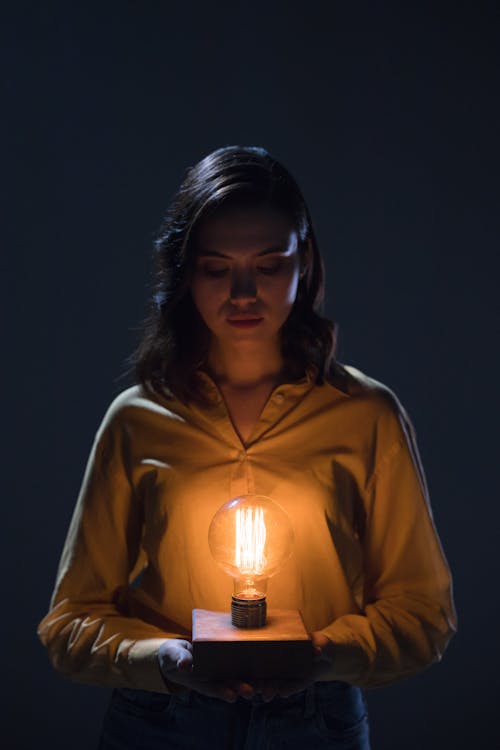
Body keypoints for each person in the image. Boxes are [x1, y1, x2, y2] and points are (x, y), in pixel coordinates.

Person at [37, 145, 457, 749]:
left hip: (315, 725)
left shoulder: (365, 417)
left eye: (268, 265)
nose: (242, 292)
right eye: (215, 267)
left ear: (304, 262)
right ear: (185, 273)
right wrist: (169, 659)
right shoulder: (137, 421)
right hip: (162, 723)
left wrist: (317, 656)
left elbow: (424, 615)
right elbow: (69, 623)